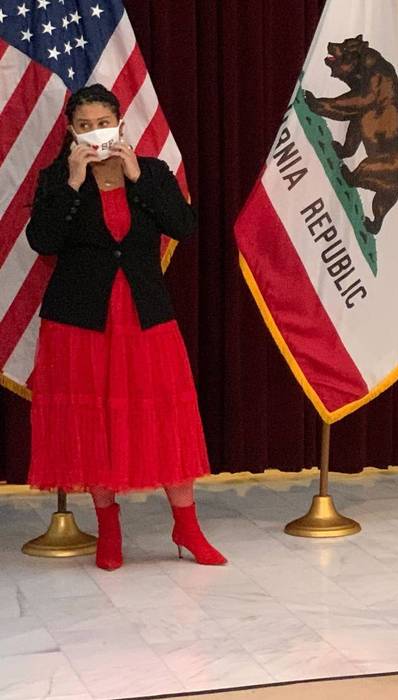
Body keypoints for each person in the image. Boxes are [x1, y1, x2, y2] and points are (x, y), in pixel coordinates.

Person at [25, 84, 226, 571]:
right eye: (85, 125)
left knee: (166, 418)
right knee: (93, 426)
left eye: (104, 122)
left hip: (144, 316)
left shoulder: (151, 173)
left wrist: (139, 177)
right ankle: (108, 528)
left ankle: (187, 526)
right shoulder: (57, 178)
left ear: (122, 124)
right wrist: (74, 183)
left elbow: (184, 226)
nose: (96, 133)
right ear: (72, 133)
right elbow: (42, 240)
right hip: (80, 323)